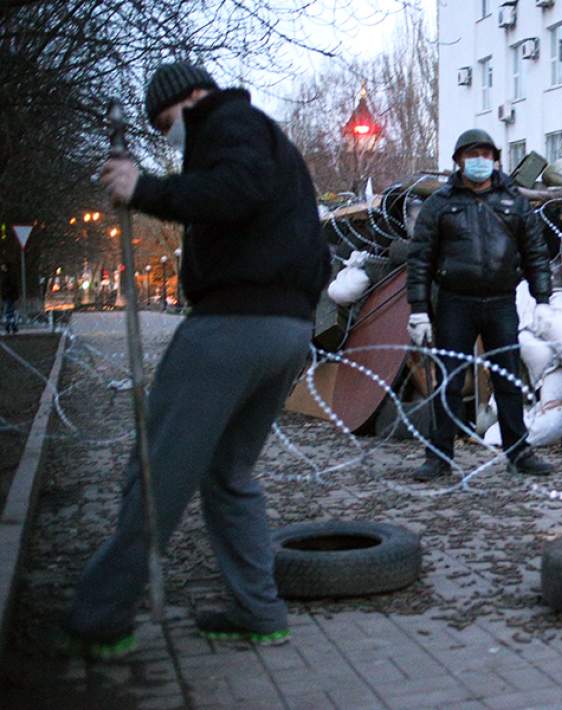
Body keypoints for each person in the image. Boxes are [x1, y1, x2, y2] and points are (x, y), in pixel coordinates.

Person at [63, 62, 330, 658]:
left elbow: (235, 193)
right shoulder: (258, 133)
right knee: (228, 475)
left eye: (165, 123)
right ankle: (259, 611)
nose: (167, 137)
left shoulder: (228, 123)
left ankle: (100, 616)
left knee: (157, 475)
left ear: (190, 99)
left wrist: (146, 189)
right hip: (285, 329)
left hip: (231, 328)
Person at [406, 129, 554, 482]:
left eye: (487, 155)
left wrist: (543, 299)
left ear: (495, 159)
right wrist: (418, 308)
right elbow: (420, 259)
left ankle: (519, 453)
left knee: (506, 379)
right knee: (450, 381)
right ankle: (439, 456)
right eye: (473, 155)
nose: (480, 162)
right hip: (455, 302)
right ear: (458, 160)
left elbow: (535, 251)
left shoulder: (514, 201)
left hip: (502, 301)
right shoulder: (439, 204)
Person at [1, 263, 17, 335]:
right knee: (10, 312)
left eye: (3, 266)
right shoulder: (7, 275)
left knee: (8, 312)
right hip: (9, 296)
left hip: (9, 296)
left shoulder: (8, 276)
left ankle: (9, 327)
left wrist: (6, 292)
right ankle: (12, 327)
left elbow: (11, 286)